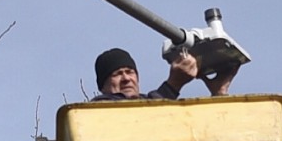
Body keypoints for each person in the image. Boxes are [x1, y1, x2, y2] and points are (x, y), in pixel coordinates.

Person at [91, 47, 238, 101]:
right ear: (103, 85)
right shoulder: (98, 109)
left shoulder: (156, 104)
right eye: (117, 74)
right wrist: (173, 85)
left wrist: (219, 93)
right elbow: (140, 121)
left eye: (130, 72)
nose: (126, 78)